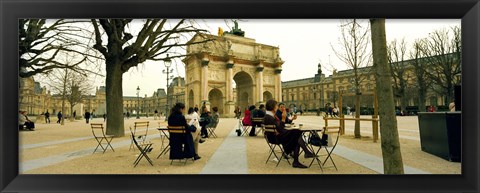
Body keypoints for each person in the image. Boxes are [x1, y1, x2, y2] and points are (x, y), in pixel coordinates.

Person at [263, 99, 317, 168]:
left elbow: (279, 129)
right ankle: (302, 155)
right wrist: (283, 118)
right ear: (273, 107)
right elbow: (281, 130)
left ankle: (300, 157)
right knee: (297, 134)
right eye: (276, 106)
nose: (277, 108)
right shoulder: (270, 117)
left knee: (296, 134)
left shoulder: (268, 116)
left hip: (274, 137)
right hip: (275, 138)